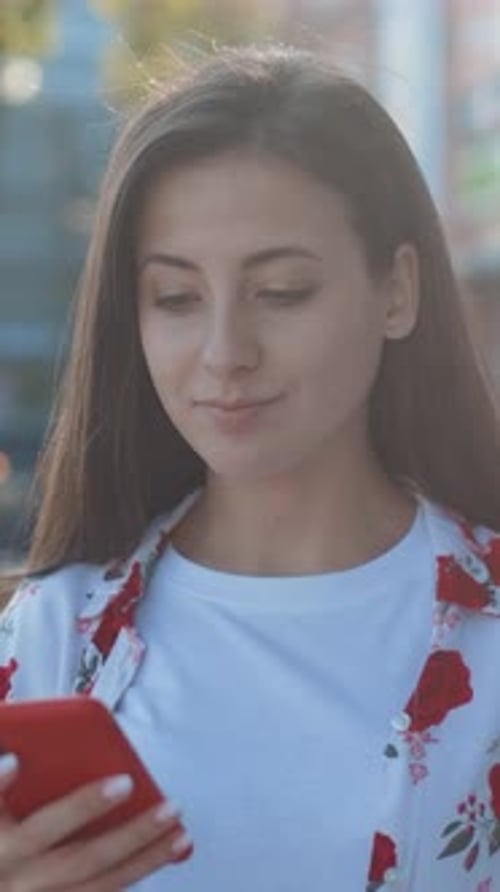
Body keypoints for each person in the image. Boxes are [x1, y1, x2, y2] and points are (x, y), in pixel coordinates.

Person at [1, 42, 500, 892]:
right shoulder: (55, 634)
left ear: (397, 292)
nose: (225, 353)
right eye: (177, 299)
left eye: (281, 292)